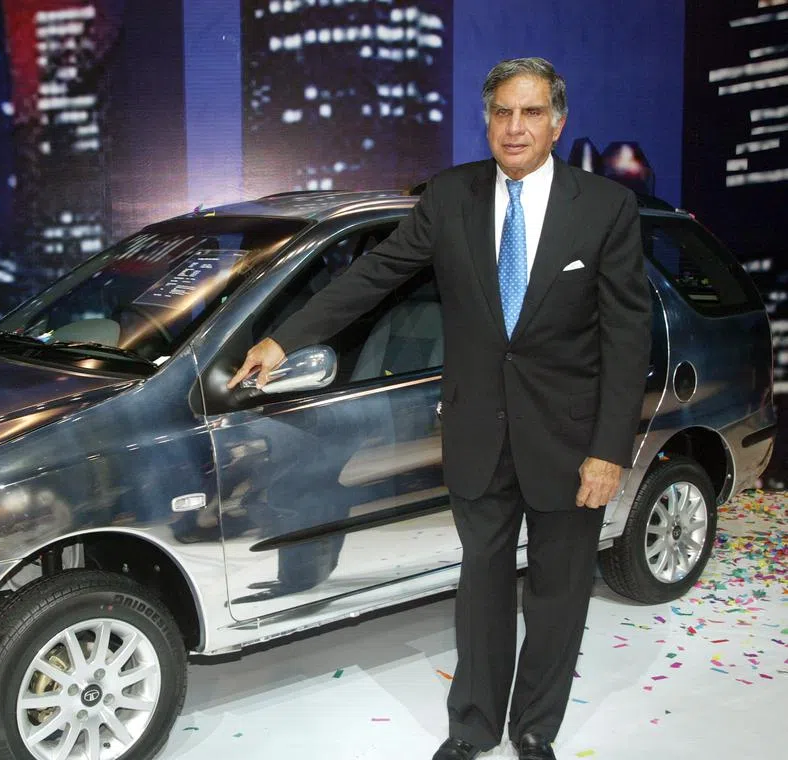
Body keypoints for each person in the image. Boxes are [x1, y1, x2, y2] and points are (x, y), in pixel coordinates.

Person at [227, 57, 651, 760]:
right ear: (487, 121)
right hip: (478, 434)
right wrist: (284, 338)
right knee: (482, 587)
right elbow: (374, 275)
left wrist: (609, 450)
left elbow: (627, 338)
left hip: (572, 443)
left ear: (558, 123)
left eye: (531, 112)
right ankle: (473, 727)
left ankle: (536, 729)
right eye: (502, 112)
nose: (515, 127)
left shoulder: (605, 207)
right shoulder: (450, 196)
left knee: (559, 592)